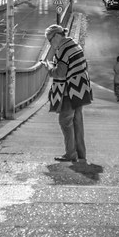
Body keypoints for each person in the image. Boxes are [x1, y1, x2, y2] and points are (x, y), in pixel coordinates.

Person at [43, 24, 92, 163]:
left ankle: (70, 153)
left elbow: (60, 72)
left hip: (68, 91)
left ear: (57, 36)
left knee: (65, 121)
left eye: (50, 39)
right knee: (77, 121)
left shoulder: (63, 49)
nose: (50, 43)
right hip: (80, 89)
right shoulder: (75, 44)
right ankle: (81, 154)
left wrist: (49, 67)